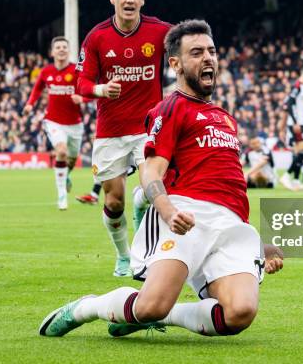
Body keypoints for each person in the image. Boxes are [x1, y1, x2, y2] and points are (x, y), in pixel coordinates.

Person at [39, 19, 283, 340]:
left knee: (240, 313)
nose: (208, 57)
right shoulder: (170, 108)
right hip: (186, 214)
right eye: (196, 52)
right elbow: (151, 170)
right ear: (175, 64)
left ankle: (158, 315)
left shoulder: (225, 117)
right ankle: (86, 308)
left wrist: (258, 244)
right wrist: (167, 211)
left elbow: (228, 185)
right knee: (150, 305)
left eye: (211, 51)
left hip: (232, 225)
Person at [75, 0, 172, 276]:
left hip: (148, 129)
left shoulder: (160, 31)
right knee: (114, 201)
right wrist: (101, 89)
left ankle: (144, 248)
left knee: (153, 189)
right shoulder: (97, 37)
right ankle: (123, 256)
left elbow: (189, 45)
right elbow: (81, 84)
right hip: (110, 132)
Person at [23, 36, 86, 210]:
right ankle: (61, 196)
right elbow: (37, 89)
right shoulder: (46, 72)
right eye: (58, 47)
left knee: (71, 160)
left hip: (75, 123)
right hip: (53, 121)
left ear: (69, 50)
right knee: (61, 151)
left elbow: (88, 89)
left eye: (64, 47)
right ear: (52, 52)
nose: (61, 49)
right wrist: (29, 104)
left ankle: (66, 175)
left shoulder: (76, 70)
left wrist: (83, 98)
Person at [278, 67, 303, 191]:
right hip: (296, 124)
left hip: (302, 124)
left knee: (299, 153)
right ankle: (287, 176)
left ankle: (297, 181)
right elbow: (289, 104)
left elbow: (302, 109)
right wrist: (295, 122)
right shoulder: (297, 86)